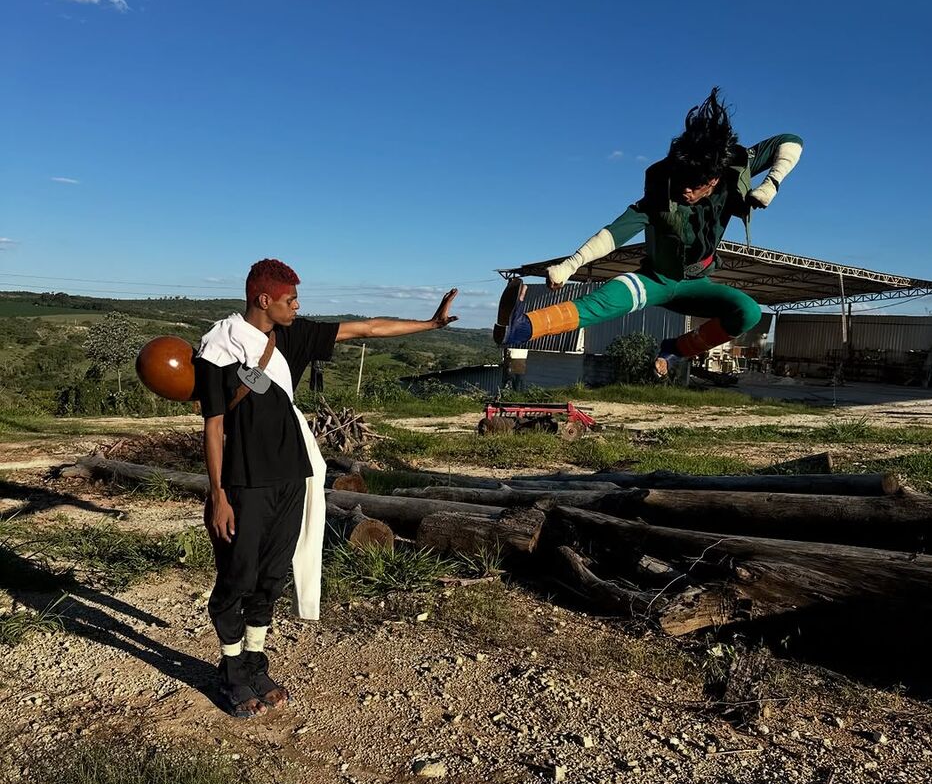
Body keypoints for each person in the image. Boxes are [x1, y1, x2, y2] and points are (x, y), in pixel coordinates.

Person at [194, 258, 458, 718]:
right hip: (244, 481)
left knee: (272, 576)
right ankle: (231, 670)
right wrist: (218, 495)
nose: (297, 307)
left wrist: (430, 324)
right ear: (264, 300)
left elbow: (367, 328)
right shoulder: (220, 348)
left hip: (292, 475)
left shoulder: (292, 335)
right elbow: (213, 427)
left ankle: (254, 662)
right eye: (291, 300)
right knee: (238, 576)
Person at [495, 89, 802, 375]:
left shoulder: (732, 171)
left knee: (748, 312)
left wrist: (771, 183)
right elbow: (615, 233)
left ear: (713, 180)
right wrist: (570, 265)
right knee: (607, 300)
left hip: (696, 284)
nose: (685, 190)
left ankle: (675, 350)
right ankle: (521, 328)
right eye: (682, 180)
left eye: (695, 185)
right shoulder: (660, 193)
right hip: (655, 279)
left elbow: (790, 141)